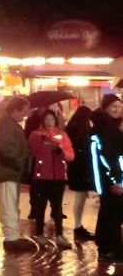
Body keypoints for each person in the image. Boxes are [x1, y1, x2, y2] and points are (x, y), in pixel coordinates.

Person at [0, 96, 35, 251]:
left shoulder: (8, 123)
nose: (26, 114)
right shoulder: (7, 125)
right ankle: (11, 238)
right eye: (24, 111)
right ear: (16, 109)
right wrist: (20, 161)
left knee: (9, 204)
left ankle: (12, 235)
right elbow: (7, 150)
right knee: (9, 204)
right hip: (8, 171)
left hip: (9, 171)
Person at [28, 109, 74, 249]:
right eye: (47, 119)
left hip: (59, 177)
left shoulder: (62, 135)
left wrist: (58, 148)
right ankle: (39, 234)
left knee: (57, 207)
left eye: (52, 119)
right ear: (43, 121)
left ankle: (59, 235)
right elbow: (34, 151)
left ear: (55, 121)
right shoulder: (36, 135)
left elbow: (71, 155)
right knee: (40, 206)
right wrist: (43, 142)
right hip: (43, 177)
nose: (49, 122)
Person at [90, 93, 123, 261]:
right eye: (114, 107)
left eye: (120, 106)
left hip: (105, 180)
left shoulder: (107, 127)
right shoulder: (107, 129)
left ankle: (105, 247)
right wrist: (119, 180)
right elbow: (109, 157)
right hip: (110, 180)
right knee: (114, 214)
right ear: (105, 109)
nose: (118, 109)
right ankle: (114, 250)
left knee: (108, 213)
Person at [65, 105, 95, 240]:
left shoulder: (71, 128)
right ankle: (78, 226)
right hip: (82, 168)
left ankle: (78, 225)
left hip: (75, 167)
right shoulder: (83, 130)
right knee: (80, 197)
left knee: (80, 197)